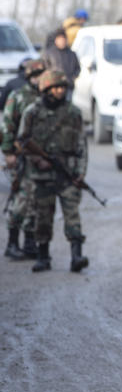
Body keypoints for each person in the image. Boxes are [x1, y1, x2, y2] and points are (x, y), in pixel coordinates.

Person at [16, 69, 87, 272]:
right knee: (43, 217)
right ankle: (43, 256)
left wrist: (80, 172)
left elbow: (82, 145)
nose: (61, 91)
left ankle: (76, 256)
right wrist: (38, 160)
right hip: (41, 176)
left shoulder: (73, 113)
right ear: (46, 89)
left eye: (63, 87)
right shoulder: (32, 112)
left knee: (72, 215)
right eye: (56, 87)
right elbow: (22, 142)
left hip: (67, 174)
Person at [3, 59, 45, 260]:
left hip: (39, 158)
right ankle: (12, 243)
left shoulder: (45, 97)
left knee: (35, 202)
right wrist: (8, 152)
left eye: (41, 75)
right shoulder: (18, 96)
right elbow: (7, 125)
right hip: (21, 157)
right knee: (21, 200)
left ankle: (29, 243)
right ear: (29, 77)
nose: (39, 79)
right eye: (35, 75)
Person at [41, 29, 81, 95]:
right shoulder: (49, 54)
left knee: (67, 104)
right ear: (56, 40)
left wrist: (71, 78)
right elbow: (44, 68)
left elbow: (77, 69)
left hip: (68, 86)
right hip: (53, 87)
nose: (62, 41)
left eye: (64, 39)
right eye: (60, 39)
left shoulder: (72, 54)